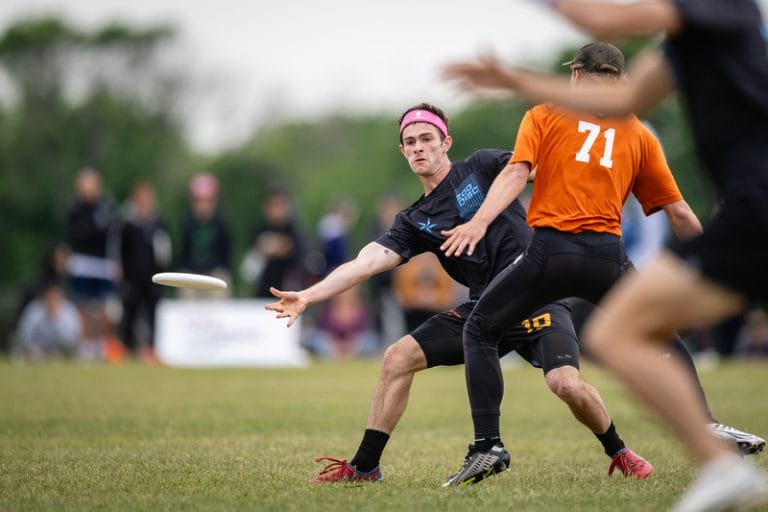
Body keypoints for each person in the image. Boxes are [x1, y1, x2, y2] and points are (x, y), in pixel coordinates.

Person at [449, 2, 768, 510]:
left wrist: (479, 220)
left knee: (481, 328)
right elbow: (679, 211)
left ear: (578, 74)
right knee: (655, 329)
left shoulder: (546, 115)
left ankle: (487, 445)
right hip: (608, 256)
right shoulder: (638, 128)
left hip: (549, 252)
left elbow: (513, 174)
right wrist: (716, 263)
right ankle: (706, 425)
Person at [267, 103, 656, 484]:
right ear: (402, 152)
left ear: (446, 142)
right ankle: (365, 466)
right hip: (484, 309)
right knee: (397, 357)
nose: (419, 147)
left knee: (566, 384)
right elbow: (365, 262)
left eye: (426, 138)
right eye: (410, 142)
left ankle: (619, 451)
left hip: (538, 296)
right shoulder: (414, 220)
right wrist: (309, 295)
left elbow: (538, 170)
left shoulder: (483, 166)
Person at [66, 167, 120, 360]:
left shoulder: (106, 206)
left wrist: (115, 261)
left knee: (103, 305)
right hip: (82, 261)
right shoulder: (75, 207)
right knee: (82, 303)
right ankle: (85, 346)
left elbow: (110, 234)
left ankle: (102, 345)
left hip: (103, 262)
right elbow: (76, 234)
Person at [119, 179, 172, 361]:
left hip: (154, 277)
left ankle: (152, 350)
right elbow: (121, 250)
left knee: (153, 314)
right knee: (130, 314)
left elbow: (164, 249)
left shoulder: (158, 222)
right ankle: (126, 349)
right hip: (132, 276)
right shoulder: (128, 222)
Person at [243, 188, 304, 299]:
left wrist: (284, 250)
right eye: (273, 205)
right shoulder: (260, 231)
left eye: (280, 205)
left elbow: (300, 259)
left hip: (288, 290)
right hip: (263, 290)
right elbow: (249, 268)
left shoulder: (294, 232)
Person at [179, 173, 232, 299]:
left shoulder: (222, 221)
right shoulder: (187, 222)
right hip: (191, 274)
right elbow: (183, 251)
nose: (203, 205)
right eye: (198, 200)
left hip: (215, 273)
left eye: (208, 200)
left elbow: (227, 252)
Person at [13, 281, 82, 360]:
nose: (52, 301)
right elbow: (25, 333)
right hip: (38, 348)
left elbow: (73, 338)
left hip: (63, 349)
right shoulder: (34, 310)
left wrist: (56, 319)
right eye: (49, 297)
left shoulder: (69, 310)